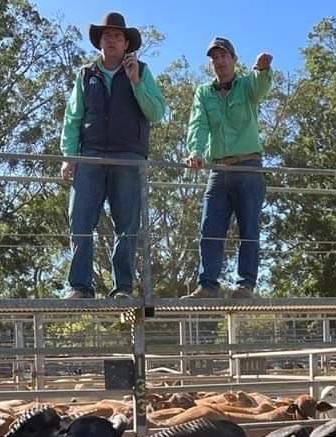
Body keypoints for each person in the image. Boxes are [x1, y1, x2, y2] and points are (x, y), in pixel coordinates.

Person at [60, 12, 166, 300]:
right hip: (90, 156)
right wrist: (69, 156)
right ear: (100, 41)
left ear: (126, 43)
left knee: (128, 223)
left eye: (118, 36)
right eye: (107, 35)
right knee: (80, 219)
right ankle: (80, 286)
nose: (112, 39)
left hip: (129, 157)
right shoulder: (85, 74)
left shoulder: (142, 71)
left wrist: (135, 82)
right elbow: (72, 118)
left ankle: (123, 288)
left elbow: (156, 111)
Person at [181, 37, 272, 299]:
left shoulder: (247, 85)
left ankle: (245, 285)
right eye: (214, 57)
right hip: (218, 169)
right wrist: (195, 152)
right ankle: (208, 284)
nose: (219, 61)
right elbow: (198, 124)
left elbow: (261, 87)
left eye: (223, 56)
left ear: (234, 59)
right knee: (210, 227)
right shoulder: (203, 92)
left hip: (248, 167)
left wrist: (263, 69)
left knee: (249, 228)